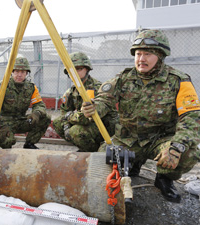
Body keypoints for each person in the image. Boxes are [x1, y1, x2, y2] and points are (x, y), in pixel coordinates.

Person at [81, 29, 200, 203]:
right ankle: (133, 164)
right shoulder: (124, 78)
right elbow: (104, 99)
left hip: (159, 141)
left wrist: (176, 146)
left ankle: (164, 179)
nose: (141, 59)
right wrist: (94, 108)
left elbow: (191, 117)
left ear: (160, 56)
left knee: (187, 154)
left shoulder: (178, 81)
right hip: (127, 139)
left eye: (148, 54)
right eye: (138, 53)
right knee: (103, 160)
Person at [53, 52, 118, 152]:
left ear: (87, 69)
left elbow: (87, 117)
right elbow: (64, 113)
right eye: (72, 70)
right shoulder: (71, 91)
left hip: (105, 127)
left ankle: (93, 150)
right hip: (88, 124)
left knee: (76, 131)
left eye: (79, 69)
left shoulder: (95, 88)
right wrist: (66, 126)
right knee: (57, 122)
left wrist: (70, 117)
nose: (75, 73)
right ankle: (84, 145)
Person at [0, 56, 51, 149]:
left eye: (23, 72)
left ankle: (29, 144)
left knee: (45, 118)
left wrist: (36, 113)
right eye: (17, 71)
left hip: (21, 120)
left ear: (27, 73)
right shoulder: (2, 86)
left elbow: (39, 104)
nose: (19, 75)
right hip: (5, 123)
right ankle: (5, 139)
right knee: (7, 142)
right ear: (12, 72)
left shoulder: (31, 87)